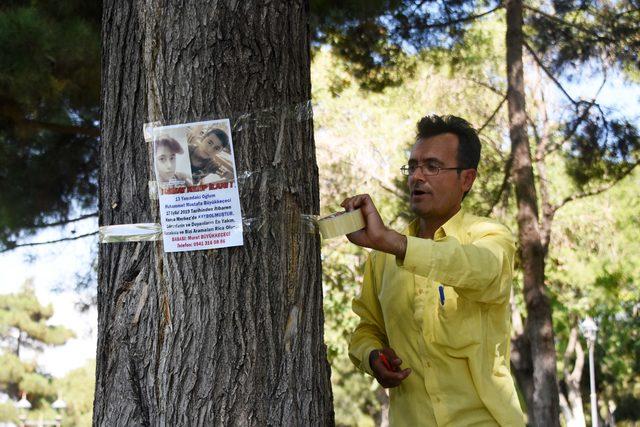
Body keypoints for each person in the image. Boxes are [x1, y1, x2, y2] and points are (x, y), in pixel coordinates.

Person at [343, 114, 525, 426]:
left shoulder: (491, 237)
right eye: (412, 166)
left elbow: (480, 270)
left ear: (466, 179)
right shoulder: (382, 258)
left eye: (432, 166)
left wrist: (397, 244)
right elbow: (366, 329)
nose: (417, 176)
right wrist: (373, 357)